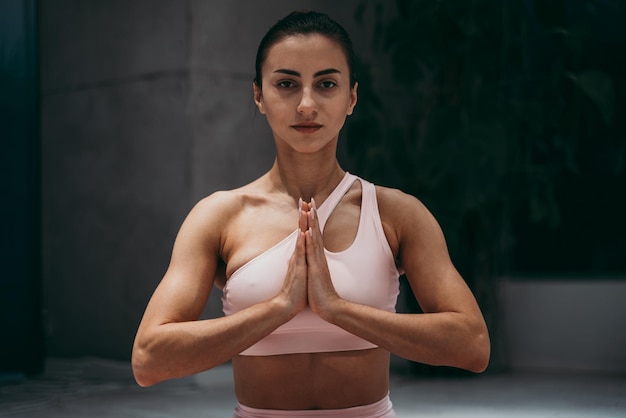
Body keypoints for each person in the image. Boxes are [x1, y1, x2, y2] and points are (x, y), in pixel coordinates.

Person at [132, 10, 490, 418]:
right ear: (258, 96)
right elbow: (149, 359)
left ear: (351, 97)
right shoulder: (219, 217)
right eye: (286, 83)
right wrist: (279, 307)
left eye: (326, 84)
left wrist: (337, 309)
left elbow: (472, 344)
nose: (306, 104)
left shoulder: (395, 213)